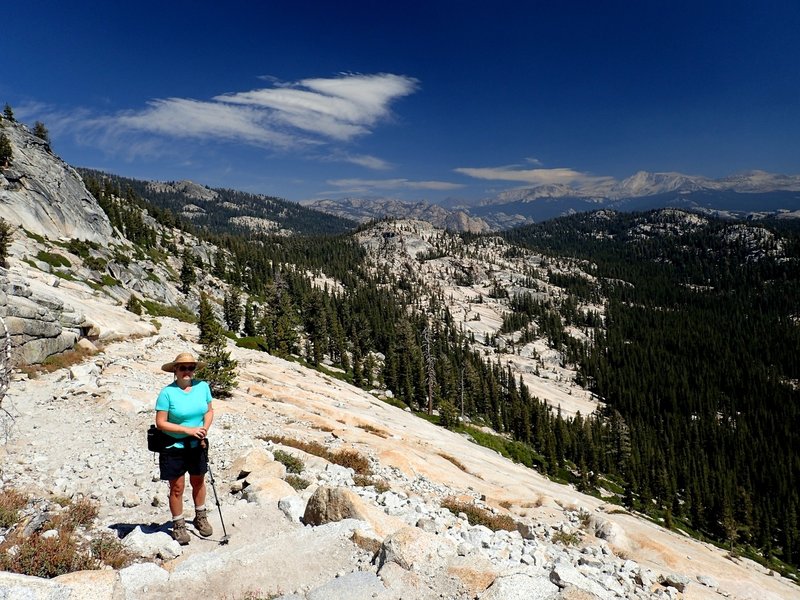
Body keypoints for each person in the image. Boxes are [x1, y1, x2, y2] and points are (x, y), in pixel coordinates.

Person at [155, 352, 214, 544]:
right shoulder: (167, 393)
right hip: (174, 445)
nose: (187, 371)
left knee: (198, 481)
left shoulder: (202, 387)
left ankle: (200, 516)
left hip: (198, 443)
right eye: (183, 368)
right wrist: (187, 430)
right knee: (177, 487)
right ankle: (178, 524)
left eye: (191, 367)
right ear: (175, 370)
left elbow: (209, 410)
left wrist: (204, 428)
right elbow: (161, 423)